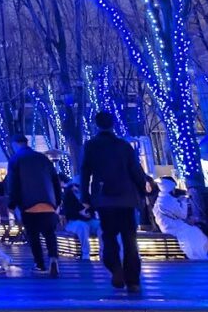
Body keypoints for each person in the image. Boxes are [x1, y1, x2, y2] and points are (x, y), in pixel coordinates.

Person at [80, 111, 146, 292]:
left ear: (96, 125)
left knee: (108, 237)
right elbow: (135, 170)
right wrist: (143, 190)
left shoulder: (91, 146)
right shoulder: (124, 146)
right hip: (127, 198)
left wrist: (85, 199)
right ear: (113, 125)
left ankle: (115, 268)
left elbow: (85, 173)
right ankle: (133, 280)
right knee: (130, 240)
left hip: (105, 199)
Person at [5, 134, 61, 277]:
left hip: (28, 204)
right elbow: (55, 180)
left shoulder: (16, 159)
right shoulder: (43, 158)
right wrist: (57, 202)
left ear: (15, 144)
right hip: (48, 203)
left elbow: (13, 183)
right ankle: (53, 259)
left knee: (33, 236)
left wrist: (12, 204)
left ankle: (40, 264)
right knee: (50, 234)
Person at [152, 178, 208, 260]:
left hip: (169, 225)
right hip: (171, 227)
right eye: (173, 187)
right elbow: (183, 214)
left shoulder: (162, 198)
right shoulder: (167, 199)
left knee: (195, 229)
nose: (174, 190)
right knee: (195, 231)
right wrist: (184, 201)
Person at [61, 179, 100, 260]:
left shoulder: (86, 195)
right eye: (74, 185)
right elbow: (67, 212)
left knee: (101, 225)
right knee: (82, 226)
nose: (76, 188)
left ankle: (104, 253)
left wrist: (89, 213)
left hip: (88, 221)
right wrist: (79, 213)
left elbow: (93, 209)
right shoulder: (68, 196)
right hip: (73, 221)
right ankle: (86, 254)